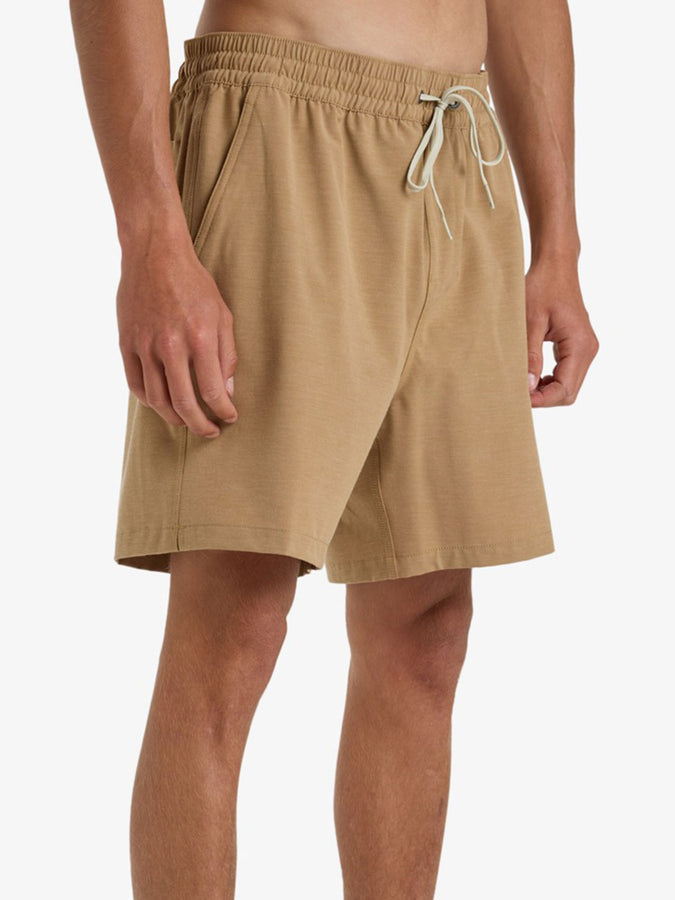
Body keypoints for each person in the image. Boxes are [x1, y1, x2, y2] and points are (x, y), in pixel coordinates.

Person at [70, 0, 599, 896]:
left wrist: (558, 240)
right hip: (281, 119)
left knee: (428, 626)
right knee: (235, 621)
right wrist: (151, 236)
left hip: (455, 153)